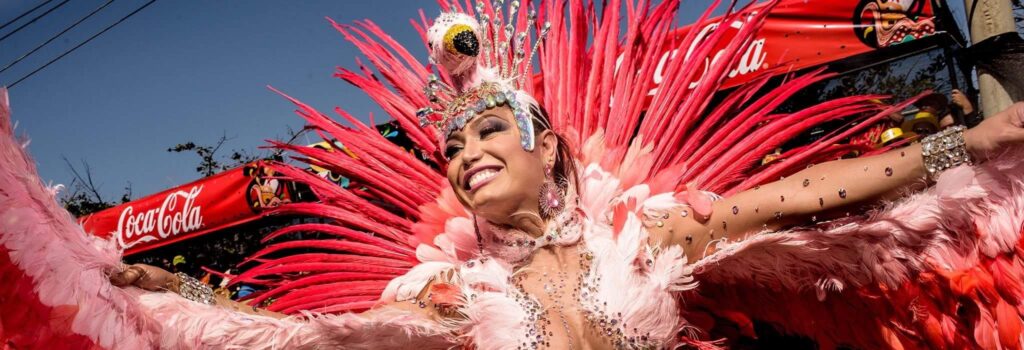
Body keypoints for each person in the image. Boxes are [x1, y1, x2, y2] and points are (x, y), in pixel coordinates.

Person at [2, 1, 1024, 349]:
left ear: (551, 151)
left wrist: (966, 147)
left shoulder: (658, 236)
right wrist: (168, 291)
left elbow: (825, 190)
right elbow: (312, 336)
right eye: (451, 145)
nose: (463, 149)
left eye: (490, 128)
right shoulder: (447, 296)